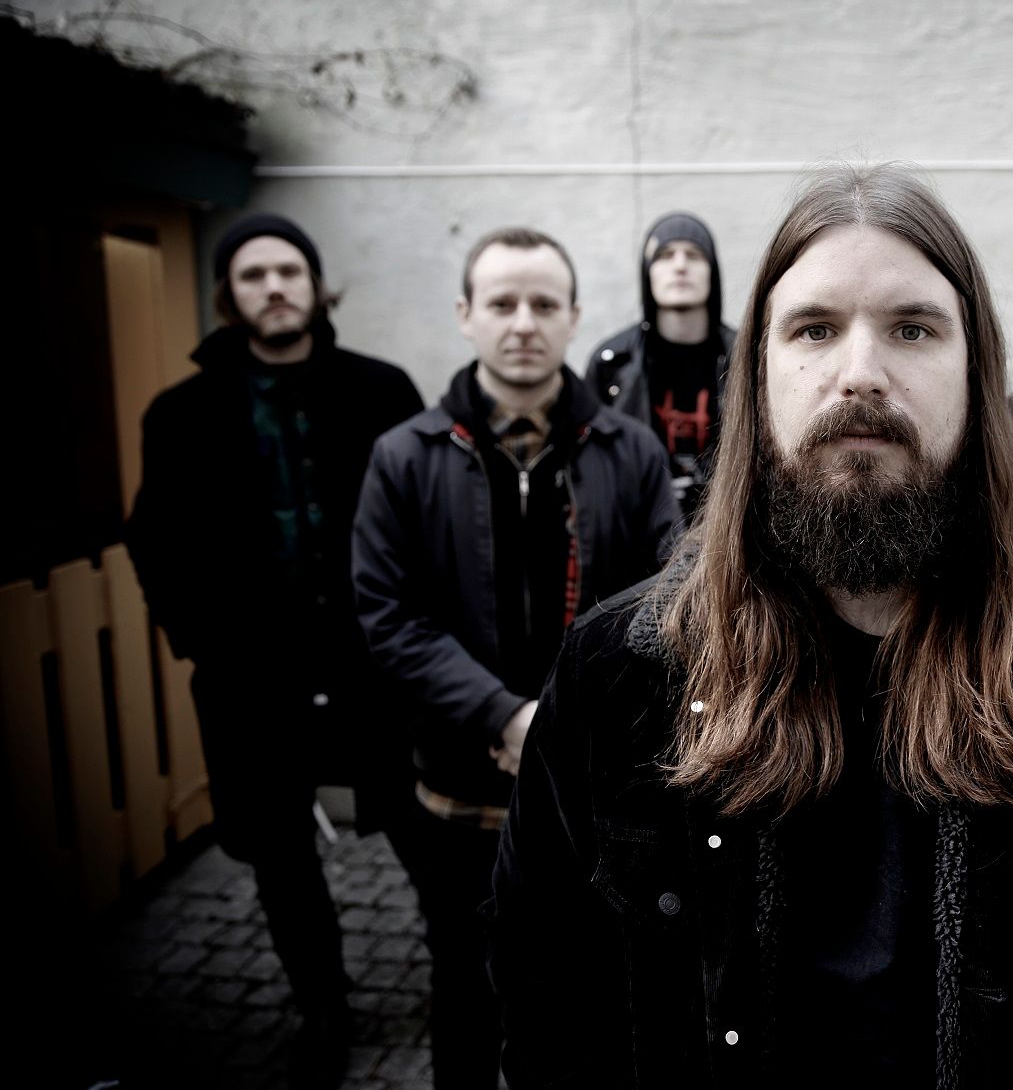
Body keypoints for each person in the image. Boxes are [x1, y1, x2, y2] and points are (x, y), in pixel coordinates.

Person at [487, 164, 1013, 1089]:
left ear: (976, 374)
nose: (860, 374)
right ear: (759, 376)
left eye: (913, 328)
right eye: (815, 329)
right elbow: (544, 995)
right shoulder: (620, 671)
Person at [352, 227, 681, 1089]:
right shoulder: (403, 457)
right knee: (464, 991)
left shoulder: (633, 452)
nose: (524, 322)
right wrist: (503, 716)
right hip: (459, 797)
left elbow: (671, 602)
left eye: (543, 303)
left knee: (587, 1003)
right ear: (466, 314)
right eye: (502, 302)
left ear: (574, 315)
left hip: (596, 801)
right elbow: (389, 616)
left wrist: (569, 723)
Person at [126, 212, 424, 1088]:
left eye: (289, 270)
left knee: (425, 829)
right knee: (282, 858)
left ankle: (472, 974)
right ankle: (322, 1004)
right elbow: (154, 540)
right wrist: (200, 641)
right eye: (253, 275)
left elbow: (431, 514)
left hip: (377, 668)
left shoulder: (381, 389)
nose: (275, 288)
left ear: (316, 284)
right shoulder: (179, 414)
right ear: (229, 295)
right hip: (251, 680)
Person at [585, 211, 736, 519]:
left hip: (727, 525)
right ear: (648, 273)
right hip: (639, 529)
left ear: (712, 272)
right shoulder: (612, 363)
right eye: (665, 256)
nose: (680, 266)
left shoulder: (747, 356)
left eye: (694, 255)